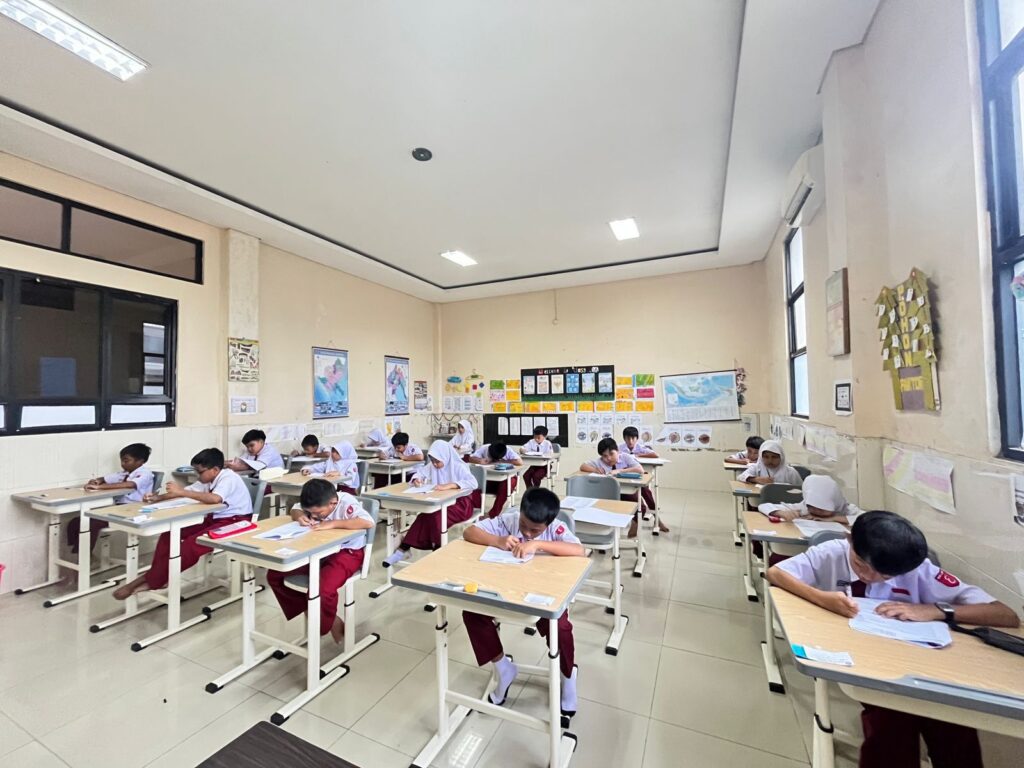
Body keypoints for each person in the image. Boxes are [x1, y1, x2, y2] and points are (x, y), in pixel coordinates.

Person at [767, 511, 1020, 768]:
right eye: (860, 565)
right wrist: (823, 598)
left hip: (919, 662)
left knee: (952, 720)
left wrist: (936, 610)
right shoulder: (832, 553)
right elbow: (776, 573)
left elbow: (1005, 615)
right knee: (892, 719)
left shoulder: (918, 569)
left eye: (885, 576)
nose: (869, 577)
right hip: (861, 661)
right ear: (849, 539)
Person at [462, 487, 584, 722]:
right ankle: (503, 668)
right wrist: (497, 540)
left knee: (559, 628)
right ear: (520, 513)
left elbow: (579, 550)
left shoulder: (557, 529)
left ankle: (568, 675)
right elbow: (469, 532)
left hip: (542, 594)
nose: (527, 532)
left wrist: (538, 545)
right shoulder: (507, 521)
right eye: (524, 525)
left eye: (535, 530)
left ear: (549, 524)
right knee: (473, 612)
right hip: (506, 589)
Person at [113, 448, 254, 600]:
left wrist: (181, 492)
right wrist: (158, 498)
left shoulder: (228, 478)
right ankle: (159, 578)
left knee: (191, 545)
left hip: (236, 522)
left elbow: (215, 499)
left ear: (214, 469)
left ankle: (150, 580)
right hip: (214, 519)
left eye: (200, 472)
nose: (197, 476)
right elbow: (186, 491)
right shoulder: (207, 479)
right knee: (170, 534)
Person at [266, 479, 373, 643]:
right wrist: (300, 516)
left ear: (333, 503)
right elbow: (295, 509)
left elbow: (367, 522)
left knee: (321, 590)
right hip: (318, 551)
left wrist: (332, 523)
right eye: (311, 513)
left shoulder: (346, 502)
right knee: (274, 574)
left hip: (348, 553)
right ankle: (316, 612)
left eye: (318, 513)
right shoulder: (314, 502)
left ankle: (323, 627)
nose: (314, 516)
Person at [382, 441, 478, 566]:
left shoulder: (459, 466)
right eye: (433, 461)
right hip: (441, 502)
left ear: (445, 456)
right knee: (425, 515)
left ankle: (432, 549)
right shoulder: (432, 466)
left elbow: (473, 483)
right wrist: (416, 479)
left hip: (461, 504)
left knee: (435, 517)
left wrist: (451, 485)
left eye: (437, 461)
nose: (435, 464)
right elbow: (420, 473)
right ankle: (404, 550)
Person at [67, 443, 154, 554]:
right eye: (121, 461)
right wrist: (98, 481)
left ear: (140, 461)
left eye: (126, 461)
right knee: (76, 522)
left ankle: (84, 555)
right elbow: (105, 478)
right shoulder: (124, 473)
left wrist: (99, 487)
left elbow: (130, 484)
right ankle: (78, 552)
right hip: (119, 509)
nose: (122, 464)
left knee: (92, 525)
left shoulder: (145, 474)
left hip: (134, 511)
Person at [581, 437, 646, 537]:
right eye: (604, 456)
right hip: (607, 493)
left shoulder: (625, 457)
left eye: (611, 454)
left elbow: (640, 470)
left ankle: (634, 523)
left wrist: (620, 471)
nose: (608, 458)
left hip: (625, 491)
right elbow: (583, 466)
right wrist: (595, 470)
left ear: (618, 451)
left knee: (641, 507)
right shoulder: (599, 462)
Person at [619, 426, 668, 533]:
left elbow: (656, 455)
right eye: (628, 438)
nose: (630, 441)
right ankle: (631, 519)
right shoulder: (619, 448)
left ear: (637, 438)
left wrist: (637, 455)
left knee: (646, 492)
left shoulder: (640, 447)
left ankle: (657, 520)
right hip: (625, 476)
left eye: (633, 438)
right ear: (624, 438)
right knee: (632, 496)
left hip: (638, 476)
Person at [759, 474, 862, 523]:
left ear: (834, 502)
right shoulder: (804, 508)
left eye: (822, 508)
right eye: (812, 507)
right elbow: (764, 506)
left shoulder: (845, 509)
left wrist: (834, 518)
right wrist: (781, 513)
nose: (816, 511)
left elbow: (868, 520)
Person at [466, 441, 523, 518]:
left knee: (506, 485)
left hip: (506, 479)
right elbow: (471, 458)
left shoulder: (508, 450)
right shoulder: (484, 448)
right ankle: (478, 512)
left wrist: (503, 461)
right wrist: (480, 461)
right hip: (489, 480)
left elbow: (519, 462)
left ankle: (492, 514)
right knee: (475, 484)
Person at [738, 439, 803, 486]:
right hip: (760, 499)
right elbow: (740, 477)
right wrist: (756, 479)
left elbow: (801, 489)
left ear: (781, 457)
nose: (770, 460)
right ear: (761, 457)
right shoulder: (757, 468)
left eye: (774, 457)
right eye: (766, 457)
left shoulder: (790, 472)